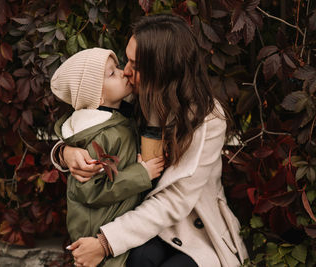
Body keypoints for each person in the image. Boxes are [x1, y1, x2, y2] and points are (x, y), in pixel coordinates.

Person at [52, 14, 249, 267]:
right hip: (138, 220)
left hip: (193, 225)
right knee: (139, 259)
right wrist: (65, 152)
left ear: (163, 69)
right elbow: (86, 122)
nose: (126, 72)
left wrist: (105, 242)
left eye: (136, 64)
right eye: (127, 60)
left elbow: (174, 200)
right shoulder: (136, 95)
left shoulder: (208, 120)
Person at [50, 48, 165, 267]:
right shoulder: (99, 136)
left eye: (117, 68)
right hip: (97, 227)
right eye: (112, 74)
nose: (123, 73)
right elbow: (91, 191)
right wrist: (141, 174)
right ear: (97, 95)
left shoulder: (117, 117)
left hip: (117, 219)